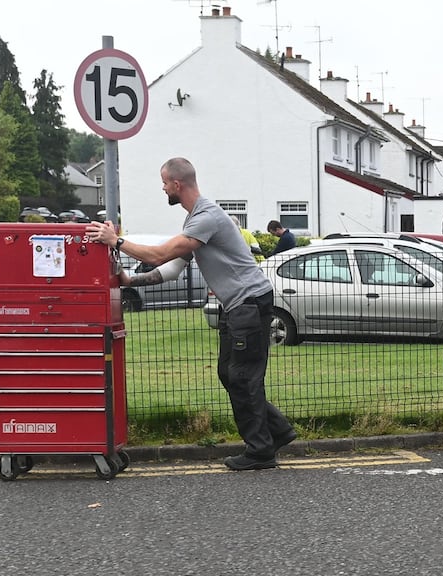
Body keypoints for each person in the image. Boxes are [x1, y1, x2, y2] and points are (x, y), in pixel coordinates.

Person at [88, 157, 296, 470]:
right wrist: (132, 280)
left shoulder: (206, 216)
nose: (162, 188)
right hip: (238, 306)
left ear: (177, 184)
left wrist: (116, 241)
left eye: (164, 182)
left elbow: (161, 253)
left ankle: (261, 451)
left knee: (243, 377)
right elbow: (171, 269)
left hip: (249, 303)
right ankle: (277, 432)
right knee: (230, 374)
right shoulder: (196, 219)